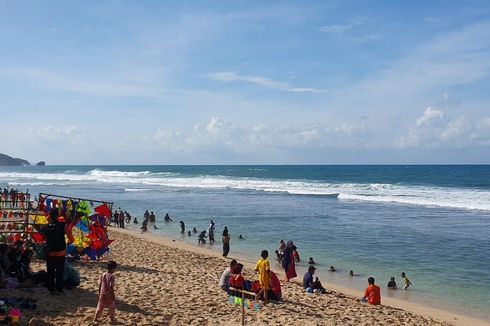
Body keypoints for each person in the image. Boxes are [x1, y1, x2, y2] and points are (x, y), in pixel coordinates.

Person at [43, 209, 66, 295]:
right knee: (60, 272)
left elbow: (44, 238)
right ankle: (59, 288)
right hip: (61, 252)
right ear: (57, 216)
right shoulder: (62, 225)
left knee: (51, 272)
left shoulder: (46, 227)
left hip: (50, 252)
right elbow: (67, 232)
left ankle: (51, 289)